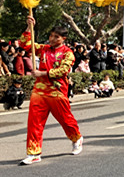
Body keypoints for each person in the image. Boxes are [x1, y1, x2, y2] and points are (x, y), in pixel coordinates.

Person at [19, 16, 83, 165]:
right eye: (51, 36)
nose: (52, 39)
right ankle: (34, 153)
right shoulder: (44, 49)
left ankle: (77, 138)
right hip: (39, 91)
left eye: (56, 37)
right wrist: (29, 27)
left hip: (57, 91)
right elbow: (25, 45)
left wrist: (42, 73)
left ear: (63, 39)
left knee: (66, 120)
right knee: (34, 122)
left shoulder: (68, 53)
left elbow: (63, 70)